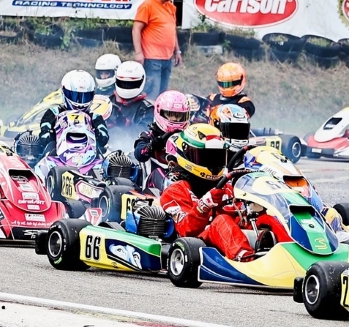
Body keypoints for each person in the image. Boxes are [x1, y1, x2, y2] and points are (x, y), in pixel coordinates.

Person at [159, 123, 252, 261]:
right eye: (206, 157)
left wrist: (251, 213)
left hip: (229, 240)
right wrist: (204, 205)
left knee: (266, 219)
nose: (213, 162)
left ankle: (284, 255)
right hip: (196, 245)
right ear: (187, 156)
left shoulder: (226, 187)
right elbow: (185, 230)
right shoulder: (175, 191)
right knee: (221, 221)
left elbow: (239, 220)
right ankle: (247, 260)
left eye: (218, 157)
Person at [36, 70, 109, 158]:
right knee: (45, 146)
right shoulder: (54, 112)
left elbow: (104, 137)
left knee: (103, 152)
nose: (80, 102)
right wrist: (48, 135)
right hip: (56, 156)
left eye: (85, 96)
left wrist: (98, 136)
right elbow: (44, 131)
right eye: (75, 96)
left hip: (89, 157)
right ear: (64, 92)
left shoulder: (95, 117)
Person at [132, 0, 181, 98]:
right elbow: (136, 29)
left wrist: (177, 51)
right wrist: (138, 53)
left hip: (167, 58)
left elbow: (172, 30)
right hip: (152, 59)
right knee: (151, 97)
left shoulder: (171, 7)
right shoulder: (147, 5)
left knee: (163, 96)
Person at [133, 90, 197, 170]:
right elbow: (139, 154)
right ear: (159, 112)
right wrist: (151, 146)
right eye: (170, 114)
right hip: (156, 175)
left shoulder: (191, 136)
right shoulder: (148, 136)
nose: (175, 119)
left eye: (179, 115)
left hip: (184, 175)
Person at [107, 61, 153, 132]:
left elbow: (144, 131)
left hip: (125, 138)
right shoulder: (108, 102)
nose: (126, 87)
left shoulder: (146, 109)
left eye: (131, 84)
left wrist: (126, 124)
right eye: (123, 83)